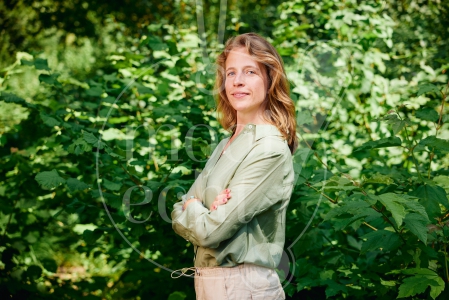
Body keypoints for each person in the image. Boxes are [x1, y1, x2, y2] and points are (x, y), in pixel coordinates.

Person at [171, 32, 297, 300]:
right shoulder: (227, 142)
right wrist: (197, 208)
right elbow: (177, 208)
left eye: (250, 71)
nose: (237, 81)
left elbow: (210, 232)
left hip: (243, 286)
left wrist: (194, 207)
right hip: (209, 284)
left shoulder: (269, 149)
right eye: (231, 73)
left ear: (270, 79)